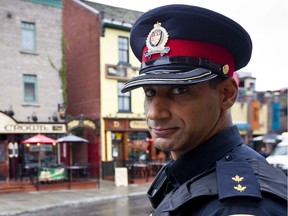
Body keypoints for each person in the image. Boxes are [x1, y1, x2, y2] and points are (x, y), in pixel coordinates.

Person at [121, 4, 287, 216]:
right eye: (150, 92)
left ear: (227, 94)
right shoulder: (191, 174)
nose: (154, 113)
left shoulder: (238, 205)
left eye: (180, 90)